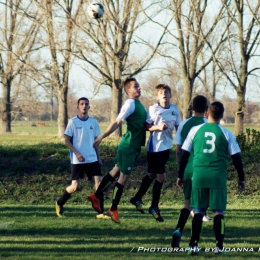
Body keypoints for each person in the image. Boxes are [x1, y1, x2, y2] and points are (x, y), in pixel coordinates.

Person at [176, 101, 245, 255]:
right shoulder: (226, 133)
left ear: (207, 113)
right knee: (218, 213)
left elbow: (185, 154)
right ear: (222, 115)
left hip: (199, 176)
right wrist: (241, 178)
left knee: (198, 211)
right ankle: (219, 247)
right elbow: (236, 157)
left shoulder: (195, 130)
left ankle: (193, 245)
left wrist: (180, 175)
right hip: (217, 178)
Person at [88, 78, 147, 224]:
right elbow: (117, 121)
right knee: (123, 177)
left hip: (132, 147)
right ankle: (113, 209)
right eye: (136, 87)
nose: (139, 88)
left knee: (115, 172)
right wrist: (102, 136)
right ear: (128, 90)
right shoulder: (130, 103)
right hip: (128, 147)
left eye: (139, 86)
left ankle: (96, 196)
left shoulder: (138, 104)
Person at [130, 84, 181, 222]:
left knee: (152, 174)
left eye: (166, 92)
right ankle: (154, 207)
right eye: (161, 93)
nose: (164, 94)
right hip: (154, 148)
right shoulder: (153, 109)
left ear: (170, 95)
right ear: (157, 96)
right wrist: (158, 127)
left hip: (166, 148)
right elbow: (146, 126)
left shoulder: (175, 109)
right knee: (161, 178)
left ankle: (137, 198)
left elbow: (179, 128)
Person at [55, 97, 109, 219]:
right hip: (78, 159)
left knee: (99, 184)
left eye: (86, 104)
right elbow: (67, 141)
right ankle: (59, 203)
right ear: (78, 107)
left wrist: (99, 158)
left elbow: (96, 142)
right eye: (82, 104)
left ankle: (100, 212)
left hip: (92, 158)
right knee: (74, 187)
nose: (84, 106)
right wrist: (77, 153)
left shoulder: (93, 122)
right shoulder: (73, 122)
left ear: (89, 107)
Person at [171, 95, 210, 247]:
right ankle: (193, 242)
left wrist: (180, 171)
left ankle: (178, 230)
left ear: (192, 107)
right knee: (200, 208)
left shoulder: (184, 124)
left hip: (187, 169)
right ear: (206, 109)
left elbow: (178, 151)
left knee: (187, 204)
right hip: (203, 171)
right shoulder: (208, 125)